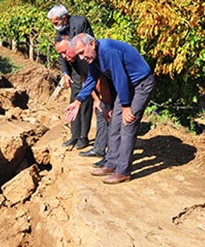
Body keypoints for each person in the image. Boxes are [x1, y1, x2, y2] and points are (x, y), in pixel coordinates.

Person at [64, 33, 155, 184]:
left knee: (128, 124)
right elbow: (92, 79)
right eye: (78, 54)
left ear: (91, 44)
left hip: (141, 85)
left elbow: (120, 77)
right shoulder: (94, 57)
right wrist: (78, 101)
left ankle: (123, 171)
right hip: (128, 87)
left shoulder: (108, 50)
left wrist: (126, 106)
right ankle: (111, 164)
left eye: (81, 52)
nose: (81, 58)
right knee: (114, 124)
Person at [55, 36, 113, 162]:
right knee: (100, 112)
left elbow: (100, 80)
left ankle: (110, 155)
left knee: (106, 113)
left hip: (109, 88)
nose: (64, 56)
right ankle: (99, 149)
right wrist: (95, 98)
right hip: (97, 88)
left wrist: (104, 103)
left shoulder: (84, 58)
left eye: (65, 52)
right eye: (61, 54)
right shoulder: (73, 61)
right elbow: (85, 80)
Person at [47, 4, 94, 150]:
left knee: (85, 100)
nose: (55, 26)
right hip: (73, 68)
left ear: (64, 18)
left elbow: (87, 45)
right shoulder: (61, 30)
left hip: (85, 65)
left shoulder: (80, 23)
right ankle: (74, 135)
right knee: (74, 99)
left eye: (56, 23)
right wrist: (65, 72)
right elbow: (61, 51)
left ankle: (83, 137)